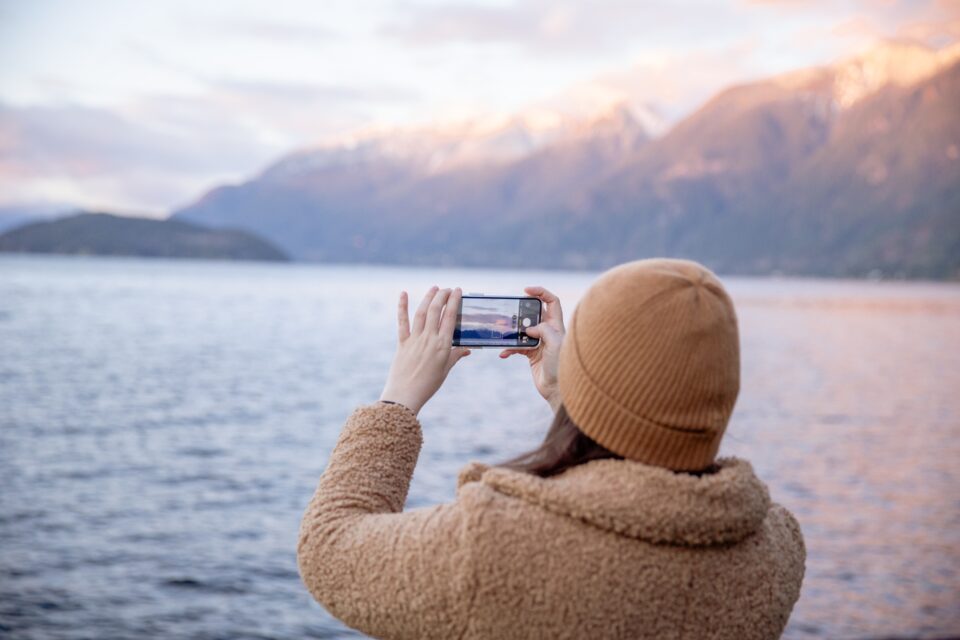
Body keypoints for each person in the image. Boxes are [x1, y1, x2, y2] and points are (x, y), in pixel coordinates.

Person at [297, 258, 805, 640]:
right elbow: (650, 451)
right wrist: (574, 400)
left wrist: (398, 400)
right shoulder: (775, 551)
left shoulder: (496, 546)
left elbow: (328, 550)